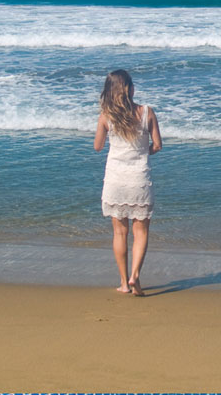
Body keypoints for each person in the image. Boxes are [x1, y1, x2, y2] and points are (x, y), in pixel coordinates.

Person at [94, 69, 162, 296]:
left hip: (115, 179)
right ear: (131, 89)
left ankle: (123, 283)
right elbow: (157, 145)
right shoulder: (146, 112)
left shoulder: (106, 116)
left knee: (119, 232)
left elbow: (98, 146)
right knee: (141, 231)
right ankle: (135, 276)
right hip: (138, 179)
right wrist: (143, 152)